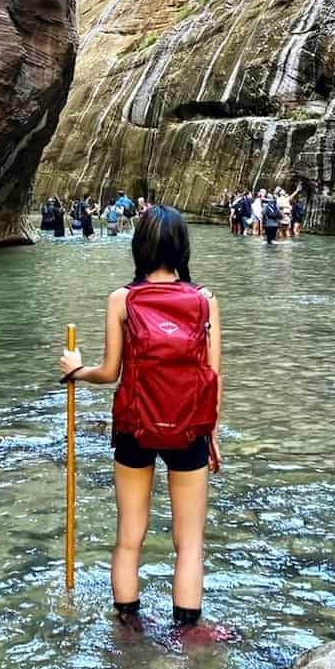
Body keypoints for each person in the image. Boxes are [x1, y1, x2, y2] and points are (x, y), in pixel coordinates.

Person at [58, 206, 222, 632]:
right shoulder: (205, 300)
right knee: (189, 544)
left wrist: (76, 370)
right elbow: (213, 376)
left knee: (129, 537)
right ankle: (187, 634)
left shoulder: (122, 299)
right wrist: (211, 433)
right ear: (182, 247)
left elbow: (110, 372)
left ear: (139, 246)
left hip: (135, 428)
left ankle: (127, 632)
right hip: (190, 429)